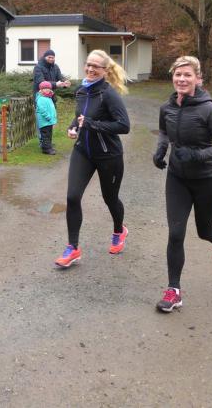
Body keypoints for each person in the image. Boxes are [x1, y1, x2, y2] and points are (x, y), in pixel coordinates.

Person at [152, 55, 212, 312]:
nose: (182, 79)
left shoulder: (208, 109)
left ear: (198, 78)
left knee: (204, 231)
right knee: (176, 234)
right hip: (177, 178)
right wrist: (161, 150)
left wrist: (197, 155)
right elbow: (164, 131)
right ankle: (173, 290)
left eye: (187, 75)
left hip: (208, 180)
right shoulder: (167, 108)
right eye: (178, 74)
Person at [54, 50, 130, 268]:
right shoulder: (81, 90)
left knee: (110, 199)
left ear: (105, 70)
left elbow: (123, 126)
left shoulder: (109, 94)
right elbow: (79, 117)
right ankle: (73, 248)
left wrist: (91, 124)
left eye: (96, 66)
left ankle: (119, 230)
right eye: (88, 64)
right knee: (72, 197)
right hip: (83, 152)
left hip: (108, 155)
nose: (90, 69)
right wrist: (73, 127)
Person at [35, 80, 57, 155]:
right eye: (45, 88)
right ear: (41, 90)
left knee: (49, 135)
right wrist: (48, 117)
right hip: (44, 121)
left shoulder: (48, 98)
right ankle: (46, 149)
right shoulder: (40, 98)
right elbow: (42, 110)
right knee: (45, 135)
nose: (47, 90)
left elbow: (52, 108)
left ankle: (49, 147)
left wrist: (53, 118)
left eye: (48, 88)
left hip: (49, 121)